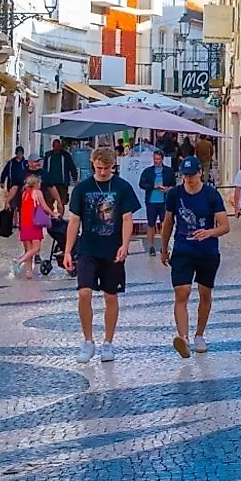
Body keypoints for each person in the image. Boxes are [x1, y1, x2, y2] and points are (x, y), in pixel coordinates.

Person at [68, 146, 141, 359]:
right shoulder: (82, 189)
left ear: (112, 166)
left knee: (111, 296)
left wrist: (125, 245)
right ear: (93, 164)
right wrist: (67, 250)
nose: (102, 172)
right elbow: (74, 220)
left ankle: (108, 342)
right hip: (87, 248)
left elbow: (127, 219)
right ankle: (88, 340)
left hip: (112, 249)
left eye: (106, 168)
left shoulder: (122, 187)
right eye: (99, 168)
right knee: (84, 292)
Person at [161, 155, 229, 356]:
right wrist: (164, 249)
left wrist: (209, 232)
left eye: (192, 174)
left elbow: (225, 226)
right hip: (183, 249)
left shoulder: (211, 195)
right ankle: (183, 338)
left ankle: (199, 334)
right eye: (185, 175)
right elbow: (168, 223)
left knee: (204, 293)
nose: (188, 178)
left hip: (207, 251)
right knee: (181, 292)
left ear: (200, 173)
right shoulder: (174, 194)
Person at [14, 173, 48, 277]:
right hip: (34, 223)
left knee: (29, 249)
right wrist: (53, 214)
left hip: (24, 223)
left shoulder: (24, 193)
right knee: (36, 248)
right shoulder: (37, 192)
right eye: (39, 182)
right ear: (36, 183)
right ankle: (19, 261)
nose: (40, 184)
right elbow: (45, 207)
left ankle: (29, 272)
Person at [137, 148, 172, 250]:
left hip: (164, 201)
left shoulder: (168, 171)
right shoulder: (148, 171)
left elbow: (173, 184)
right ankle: (151, 246)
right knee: (151, 224)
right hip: (151, 201)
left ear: (162, 159)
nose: (157, 161)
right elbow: (141, 184)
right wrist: (153, 186)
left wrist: (168, 189)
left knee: (164, 224)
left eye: (158, 159)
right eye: (155, 159)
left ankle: (163, 246)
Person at [39, 137, 79, 206]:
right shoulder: (48, 155)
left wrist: (75, 178)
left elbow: (72, 167)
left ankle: (60, 213)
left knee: (62, 202)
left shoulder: (65, 155)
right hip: (50, 183)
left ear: (60, 146)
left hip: (62, 183)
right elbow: (44, 168)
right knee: (48, 202)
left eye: (58, 146)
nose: (56, 147)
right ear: (52, 146)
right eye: (55, 146)